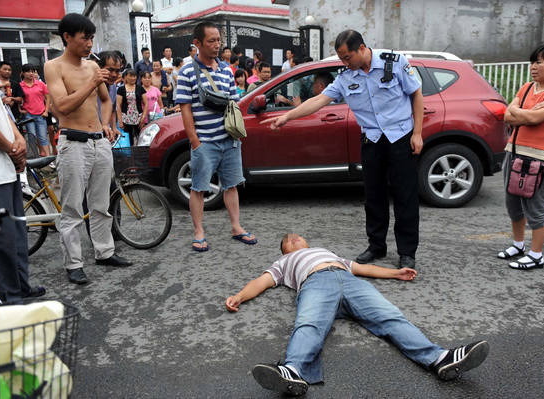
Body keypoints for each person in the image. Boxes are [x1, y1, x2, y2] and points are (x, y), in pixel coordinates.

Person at [226, 233, 489, 396]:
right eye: (288, 241)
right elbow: (261, 281)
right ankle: (292, 370)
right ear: (285, 251)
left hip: (349, 280)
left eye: (298, 237)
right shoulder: (284, 263)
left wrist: (395, 273)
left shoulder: (329, 253)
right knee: (308, 325)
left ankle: (440, 358)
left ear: (307, 242)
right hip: (315, 283)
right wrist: (239, 295)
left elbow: (363, 268)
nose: (293, 238)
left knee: (390, 316)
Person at [262, 30, 423, 268]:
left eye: (347, 57)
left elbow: (416, 94)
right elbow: (318, 101)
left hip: (401, 137)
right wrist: (287, 116)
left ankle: (407, 252)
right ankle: (377, 246)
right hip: (372, 141)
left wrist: (418, 133)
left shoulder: (395, 62)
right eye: (341, 58)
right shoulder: (346, 77)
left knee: (405, 196)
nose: (344, 63)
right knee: (374, 197)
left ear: (361, 48)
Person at [44, 13, 133, 285]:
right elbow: (62, 107)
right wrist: (93, 83)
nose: (90, 43)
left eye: (92, 37)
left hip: (99, 141)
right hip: (73, 142)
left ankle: (105, 252)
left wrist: (106, 124)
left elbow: (106, 101)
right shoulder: (53, 66)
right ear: (67, 37)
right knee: (71, 207)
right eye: (85, 37)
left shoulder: (92, 66)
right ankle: (73, 263)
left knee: (101, 204)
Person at [175, 21, 256, 251]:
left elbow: (233, 103)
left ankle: (236, 227)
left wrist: (236, 135)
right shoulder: (187, 71)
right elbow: (185, 109)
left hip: (229, 140)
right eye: (211, 41)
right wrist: (195, 142)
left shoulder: (225, 69)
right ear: (197, 43)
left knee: (231, 185)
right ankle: (199, 231)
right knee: (199, 187)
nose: (217, 45)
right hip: (205, 141)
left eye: (218, 40)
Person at [499, 43, 544, 270]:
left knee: (536, 206)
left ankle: (536, 254)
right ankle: (518, 244)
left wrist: (522, 114)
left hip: (538, 157)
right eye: (533, 62)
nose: (533, 67)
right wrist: (525, 114)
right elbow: (507, 116)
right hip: (514, 151)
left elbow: (532, 119)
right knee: (513, 203)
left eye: (539, 62)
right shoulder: (528, 87)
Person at [0, 15, 45, 302]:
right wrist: (14, 150)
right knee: (2, 240)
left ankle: (20, 286)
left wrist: (19, 139)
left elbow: (2, 114)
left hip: (8, 168)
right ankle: (9, 299)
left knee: (18, 232)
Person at [20, 64, 51, 156]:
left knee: (43, 137)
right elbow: (18, 99)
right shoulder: (20, 85)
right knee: (32, 136)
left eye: (32, 71)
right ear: (23, 73)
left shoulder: (40, 84)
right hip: (28, 115)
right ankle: (36, 157)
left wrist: (46, 111)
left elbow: (48, 98)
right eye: (28, 71)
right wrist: (21, 110)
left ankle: (48, 158)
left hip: (41, 114)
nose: (31, 73)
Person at [116, 69, 148, 146]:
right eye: (131, 76)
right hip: (126, 117)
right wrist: (120, 120)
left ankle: (139, 154)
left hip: (138, 117)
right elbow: (118, 105)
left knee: (140, 138)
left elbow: (146, 103)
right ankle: (130, 155)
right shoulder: (121, 89)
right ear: (126, 77)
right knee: (128, 139)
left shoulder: (140, 88)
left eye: (134, 76)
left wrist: (143, 117)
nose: (133, 78)